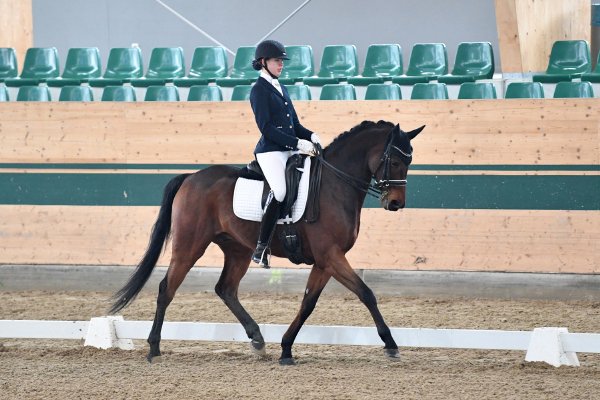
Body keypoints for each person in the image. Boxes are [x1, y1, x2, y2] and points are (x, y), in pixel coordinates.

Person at [249, 39, 321, 268]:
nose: (281, 64)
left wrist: (311, 136)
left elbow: (295, 125)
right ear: (263, 62)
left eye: (282, 61)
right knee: (279, 191)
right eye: (277, 60)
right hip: (270, 152)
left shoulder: (282, 87)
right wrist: (297, 144)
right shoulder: (258, 90)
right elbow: (266, 129)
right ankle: (261, 247)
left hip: (288, 149)